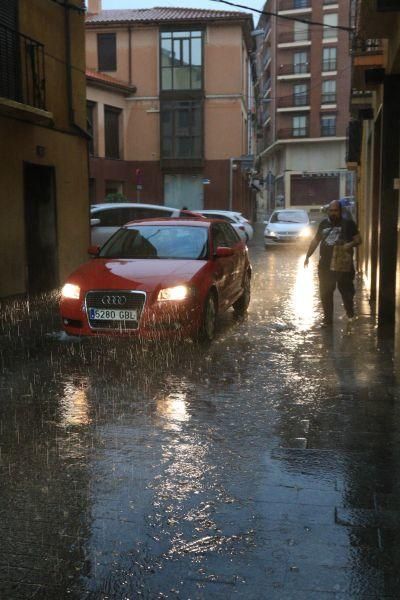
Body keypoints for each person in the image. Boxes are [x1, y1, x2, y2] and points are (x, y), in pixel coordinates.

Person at [304, 200, 362, 327]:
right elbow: (315, 241)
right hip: (325, 266)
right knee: (325, 293)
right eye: (331, 210)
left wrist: (349, 244)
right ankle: (327, 320)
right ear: (328, 211)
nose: (333, 213)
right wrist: (307, 256)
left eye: (336, 210)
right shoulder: (323, 224)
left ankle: (350, 313)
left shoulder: (348, 224)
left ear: (340, 211)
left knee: (346, 293)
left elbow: (359, 240)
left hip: (343, 266)